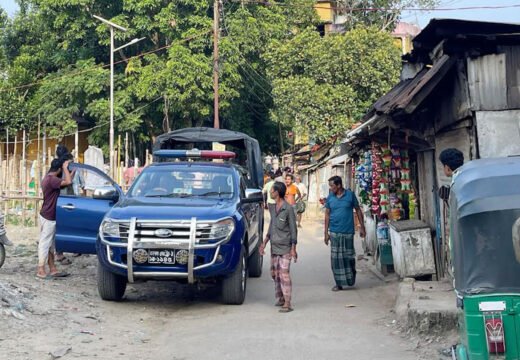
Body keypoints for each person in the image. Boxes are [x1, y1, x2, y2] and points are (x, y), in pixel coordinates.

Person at [259, 182, 298, 313]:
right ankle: (281, 298)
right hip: (274, 247)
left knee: (284, 274)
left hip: (286, 247)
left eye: (272, 190)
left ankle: (288, 303)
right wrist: (264, 242)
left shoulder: (288, 208)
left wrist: (293, 248)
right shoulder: (273, 207)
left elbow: (293, 229)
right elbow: (272, 225)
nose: (270, 192)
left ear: (277, 192)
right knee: (275, 274)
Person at [324, 176, 366, 291]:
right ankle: (339, 283)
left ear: (338, 185)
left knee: (349, 257)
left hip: (348, 232)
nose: (331, 188)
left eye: (332, 186)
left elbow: (358, 210)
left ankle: (350, 279)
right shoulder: (330, 197)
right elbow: (327, 214)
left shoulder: (350, 195)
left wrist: (362, 227)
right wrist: (326, 233)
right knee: (336, 259)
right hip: (334, 232)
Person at [37, 159, 73, 279]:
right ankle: (41, 269)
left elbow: (67, 181)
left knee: (50, 244)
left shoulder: (48, 178)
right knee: (45, 243)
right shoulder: (52, 180)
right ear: (58, 169)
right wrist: (65, 168)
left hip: (45, 214)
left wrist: (71, 171)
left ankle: (52, 268)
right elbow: (68, 182)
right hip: (49, 216)